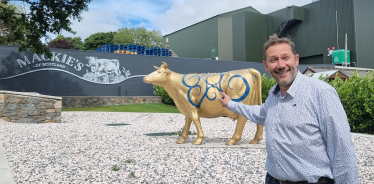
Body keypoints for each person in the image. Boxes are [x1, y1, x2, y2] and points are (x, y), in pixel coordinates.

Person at [217, 34, 359, 184]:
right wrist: (231, 104)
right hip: (273, 179)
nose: (280, 65)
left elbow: (342, 150)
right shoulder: (274, 94)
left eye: (285, 57)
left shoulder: (321, 93)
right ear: (265, 66)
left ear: (296, 60)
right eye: (273, 60)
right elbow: (261, 114)